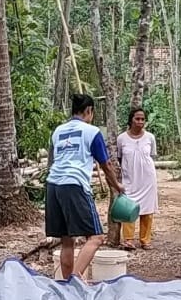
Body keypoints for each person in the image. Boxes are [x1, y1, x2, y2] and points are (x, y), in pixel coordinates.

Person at [46, 93, 125, 280]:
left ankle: (67, 287)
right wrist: (117, 185)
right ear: (89, 111)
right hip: (74, 185)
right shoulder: (92, 132)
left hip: (53, 185)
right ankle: (74, 279)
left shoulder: (58, 131)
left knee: (67, 241)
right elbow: (106, 165)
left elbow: (53, 160)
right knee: (96, 237)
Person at [116, 107, 159, 250]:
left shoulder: (150, 137)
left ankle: (145, 240)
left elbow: (151, 155)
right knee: (128, 207)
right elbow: (119, 157)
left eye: (143, 119)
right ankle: (128, 239)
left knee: (147, 209)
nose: (140, 122)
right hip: (129, 178)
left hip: (147, 178)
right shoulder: (122, 138)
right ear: (131, 120)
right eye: (137, 118)